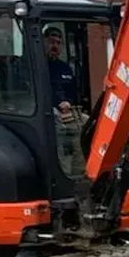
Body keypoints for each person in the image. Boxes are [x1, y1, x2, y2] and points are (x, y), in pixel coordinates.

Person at [43, 25, 85, 177]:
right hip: (46, 110)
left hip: (67, 110)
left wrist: (68, 102)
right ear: (43, 42)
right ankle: (63, 173)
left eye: (58, 43)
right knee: (59, 129)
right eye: (51, 42)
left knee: (87, 125)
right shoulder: (38, 66)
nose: (54, 46)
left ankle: (80, 174)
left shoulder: (64, 68)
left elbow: (73, 91)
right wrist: (57, 103)